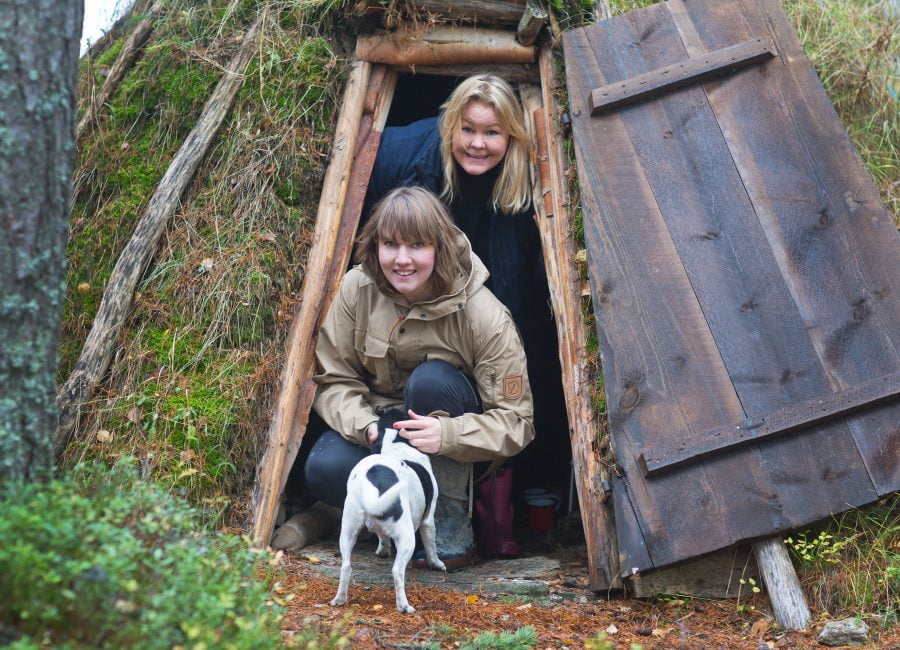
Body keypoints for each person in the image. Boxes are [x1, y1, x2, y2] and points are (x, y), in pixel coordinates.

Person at [276, 186, 535, 569]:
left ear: (440, 248)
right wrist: (367, 427)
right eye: (390, 244)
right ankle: (382, 519)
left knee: (430, 382)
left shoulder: (484, 316)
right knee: (324, 468)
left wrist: (447, 435)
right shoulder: (357, 289)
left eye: (417, 245)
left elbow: (517, 422)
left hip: (457, 448)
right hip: (383, 432)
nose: (402, 259)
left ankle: (448, 523)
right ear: (375, 246)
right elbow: (334, 380)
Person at [365, 74, 569, 556]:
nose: (478, 143)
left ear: (513, 137)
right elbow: (362, 187)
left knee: (515, 387)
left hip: (501, 306)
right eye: (469, 129)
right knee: (431, 383)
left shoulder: (530, 174)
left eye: (493, 133)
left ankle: (504, 508)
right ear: (449, 125)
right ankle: (444, 512)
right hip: (432, 310)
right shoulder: (408, 155)